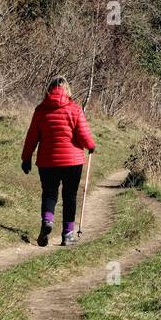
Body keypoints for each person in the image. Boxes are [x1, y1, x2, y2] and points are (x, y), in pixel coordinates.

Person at [21, 76, 96, 247]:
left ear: (49, 89)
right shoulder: (75, 109)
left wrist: (26, 158)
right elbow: (83, 135)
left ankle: (47, 221)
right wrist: (91, 146)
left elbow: (32, 137)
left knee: (49, 194)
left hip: (47, 161)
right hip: (72, 161)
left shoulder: (40, 110)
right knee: (69, 197)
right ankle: (67, 235)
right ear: (67, 90)